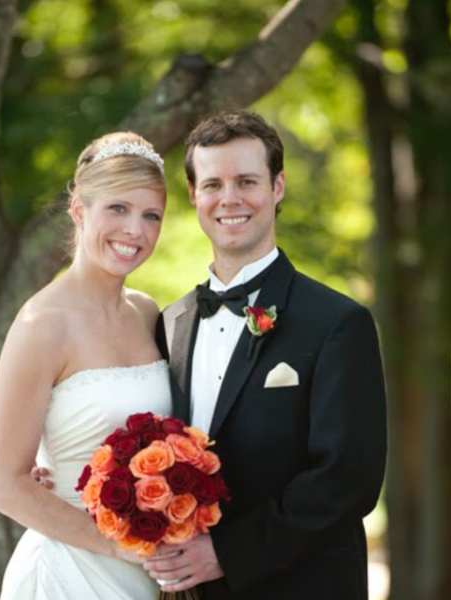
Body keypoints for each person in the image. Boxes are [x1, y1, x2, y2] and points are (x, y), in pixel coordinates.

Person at [145, 111, 387, 600]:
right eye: (213, 184)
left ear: (278, 187)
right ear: (193, 194)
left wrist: (227, 553)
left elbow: (348, 479)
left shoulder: (338, 323)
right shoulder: (168, 324)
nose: (229, 198)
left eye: (247, 181)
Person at [0, 131, 171, 600]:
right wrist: (117, 545)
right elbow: (3, 485)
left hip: (148, 570)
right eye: (118, 208)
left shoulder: (147, 313)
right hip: (69, 569)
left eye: (151, 215)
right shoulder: (41, 324)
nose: (135, 230)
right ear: (78, 210)